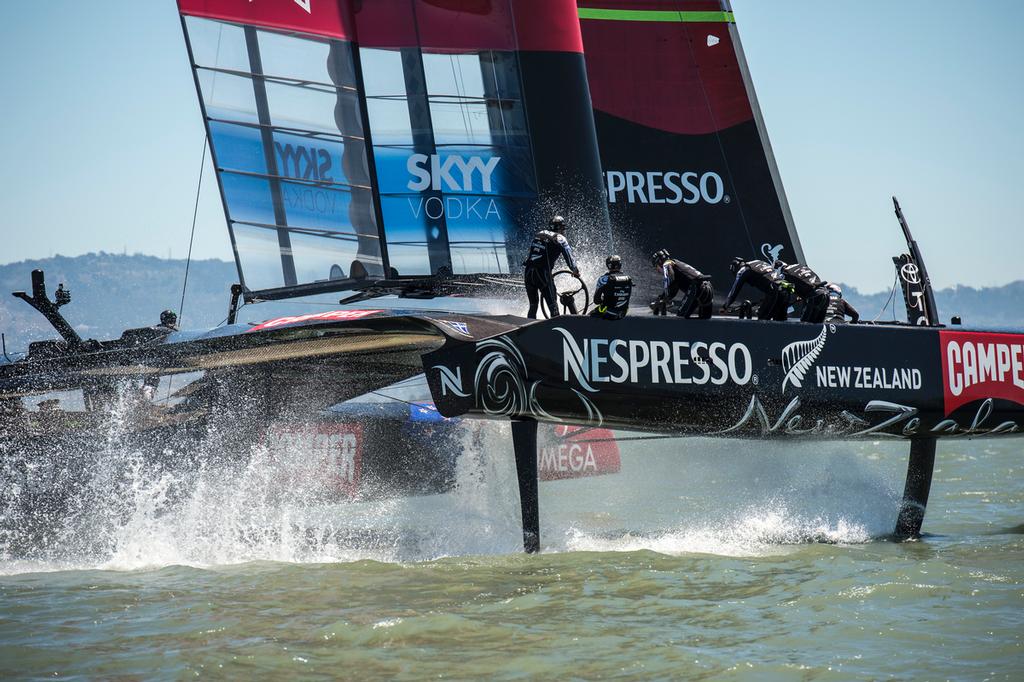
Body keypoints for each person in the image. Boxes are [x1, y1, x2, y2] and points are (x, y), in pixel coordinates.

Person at [523, 215, 579, 319]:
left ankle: (528, 330)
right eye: (563, 228)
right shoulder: (560, 238)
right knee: (553, 305)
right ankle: (557, 329)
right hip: (542, 273)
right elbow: (568, 255)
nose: (563, 231)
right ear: (560, 228)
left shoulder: (539, 234)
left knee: (533, 305)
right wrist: (574, 270)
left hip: (528, 272)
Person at [721, 256, 794, 321]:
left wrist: (725, 307)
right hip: (785, 290)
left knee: (762, 320)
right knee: (780, 324)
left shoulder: (742, 270)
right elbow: (770, 278)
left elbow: (734, 291)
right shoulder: (757, 261)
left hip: (774, 291)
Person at [651, 250, 713, 319]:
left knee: (681, 318)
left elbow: (671, 280)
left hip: (696, 288)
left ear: (659, 262)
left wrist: (664, 299)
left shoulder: (667, 264)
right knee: (704, 320)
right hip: (708, 286)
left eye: (656, 267)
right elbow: (674, 286)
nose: (657, 270)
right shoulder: (675, 264)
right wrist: (663, 297)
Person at [590, 255, 632, 320]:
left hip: (608, 313)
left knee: (590, 315)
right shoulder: (628, 278)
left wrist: (604, 299)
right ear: (620, 265)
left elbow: (596, 301)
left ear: (608, 265)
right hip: (623, 313)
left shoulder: (603, 279)